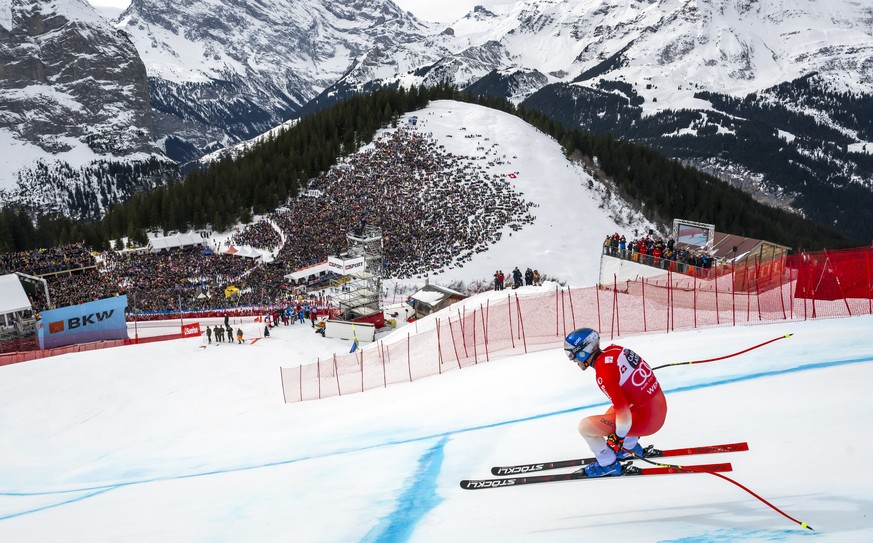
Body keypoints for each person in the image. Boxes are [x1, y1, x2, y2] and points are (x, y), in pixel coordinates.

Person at [563, 328, 667, 477]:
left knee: (585, 427)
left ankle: (607, 464)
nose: (572, 359)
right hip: (657, 408)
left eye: (571, 354)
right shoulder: (615, 350)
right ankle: (628, 448)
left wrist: (617, 440)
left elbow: (624, 417)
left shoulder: (603, 373)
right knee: (610, 414)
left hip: (647, 420)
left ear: (582, 351)